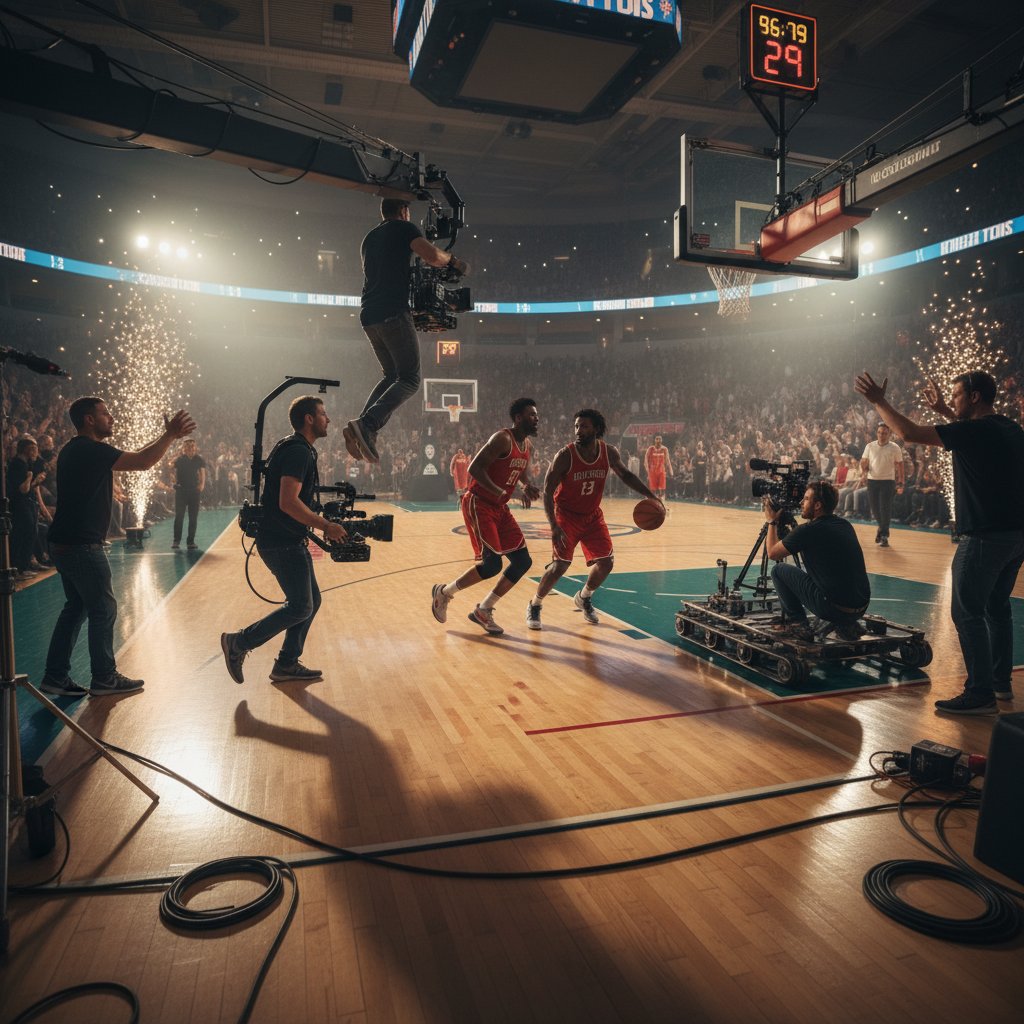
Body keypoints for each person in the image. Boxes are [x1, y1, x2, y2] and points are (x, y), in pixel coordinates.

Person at [855, 369, 1024, 715]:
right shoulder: (1007, 427)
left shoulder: (974, 431)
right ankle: (1000, 684)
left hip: (984, 535)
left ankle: (980, 694)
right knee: (997, 606)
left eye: (957, 395)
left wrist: (878, 400)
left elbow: (908, 433)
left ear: (975, 397)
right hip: (1016, 536)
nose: (952, 400)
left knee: (966, 612)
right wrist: (946, 413)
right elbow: (971, 436)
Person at [39, 398, 196, 698]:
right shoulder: (90, 450)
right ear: (88, 419)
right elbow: (142, 462)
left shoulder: (75, 449)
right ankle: (104, 678)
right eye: (104, 413)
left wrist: (165, 437)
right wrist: (171, 436)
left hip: (64, 541)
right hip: (82, 544)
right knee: (103, 608)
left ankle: (55, 676)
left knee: (76, 607)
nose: (111, 417)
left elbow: (138, 456)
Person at [221, 396, 348, 684]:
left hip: (283, 539)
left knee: (311, 601)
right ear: (309, 419)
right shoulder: (298, 452)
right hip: (281, 541)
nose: (328, 419)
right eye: (323, 414)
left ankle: (287, 664)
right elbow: (288, 502)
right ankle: (238, 643)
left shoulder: (296, 447)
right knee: (301, 605)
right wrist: (326, 525)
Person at [344, 198, 470, 465]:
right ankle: (367, 424)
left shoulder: (369, 238)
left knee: (392, 375)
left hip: (369, 314)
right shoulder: (403, 228)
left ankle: (361, 428)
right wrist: (454, 261)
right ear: (403, 212)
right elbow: (433, 256)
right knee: (410, 379)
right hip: (392, 312)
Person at [527, 409, 662, 630]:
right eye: (576, 426)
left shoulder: (608, 452)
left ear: (596, 429)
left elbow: (626, 475)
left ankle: (584, 597)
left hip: (592, 516)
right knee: (560, 565)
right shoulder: (565, 455)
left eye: (584, 426)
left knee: (606, 562)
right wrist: (553, 525)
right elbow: (548, 490)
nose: (578, 431)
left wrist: (651, 496)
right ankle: (535, 604)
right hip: (566, 516)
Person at [431, 398, 541, 635]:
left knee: (523, 562)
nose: (536, 418)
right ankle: (444, 593)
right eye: (531, 414)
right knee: (491, 564)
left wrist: (526, 487)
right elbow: (474, 469)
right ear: (519, 418)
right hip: (479, 503)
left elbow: (519, 471)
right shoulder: (502, 438)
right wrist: (499, 490)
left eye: (536, 414)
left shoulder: (527, 446)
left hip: (500, 508)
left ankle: (484, 609)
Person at [764, 479, 870, 643]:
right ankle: (846, 624)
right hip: (860, 607)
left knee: (778, 570)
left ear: (818, 505)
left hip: (832, 608)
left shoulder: (808, 530)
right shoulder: (844, 524)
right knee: (827, 575)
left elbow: (772, 553)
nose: (801, 502)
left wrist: (771, 522)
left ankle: (799, 625)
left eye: (806, 499)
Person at [861, 422, 904, 547]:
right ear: (877, 433)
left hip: (888, 482)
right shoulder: (869, 446)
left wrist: (901, 482)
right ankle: (882, 529)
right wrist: (863, 471)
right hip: (872, 480)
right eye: (879, 432)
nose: (881, 435)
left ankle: (884, 535)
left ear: (889, 434)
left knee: (885, 509)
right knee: (875, 509)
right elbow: (864, 462)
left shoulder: (895, 447)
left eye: (884, 433)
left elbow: (900, 465)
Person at [7, 436, 40, 578]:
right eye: (32, 448)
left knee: (30, 533)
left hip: (25, 504)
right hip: (20, 505)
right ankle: (18, 568)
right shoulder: (19, 464)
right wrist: (31, 478)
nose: (35, 451)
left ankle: (22, 567)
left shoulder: (24, 463)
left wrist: (35, 481)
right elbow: (22, 489)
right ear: (25, 449)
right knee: (22, 535)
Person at [171, 438, 206, 550]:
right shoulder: (179, 460)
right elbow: (170, 469)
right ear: (184, 448)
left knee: (193, 517)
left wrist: (201, 485)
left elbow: (202, 473)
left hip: (194, 491)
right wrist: (173, 481)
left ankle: (190, 541)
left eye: (192, 446)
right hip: (181, 491)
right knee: (179, 516)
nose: (190, 448)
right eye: (188, 446)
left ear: (195, 447)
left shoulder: (199, 459)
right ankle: (176, 541)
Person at [644, 434, 673, 502]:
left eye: (660, 439)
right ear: (654, 440)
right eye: (657, 439)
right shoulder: (650, 449)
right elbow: (645, 460)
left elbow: (668, 460)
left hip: (661, 471)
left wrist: (671, 469)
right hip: (652, 472)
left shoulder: (665, 449)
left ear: (662, 440)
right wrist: (647, 470)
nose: (658, 440)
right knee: (653, 490)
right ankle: (651, 504)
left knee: (662, 490)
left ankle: (662, 505)